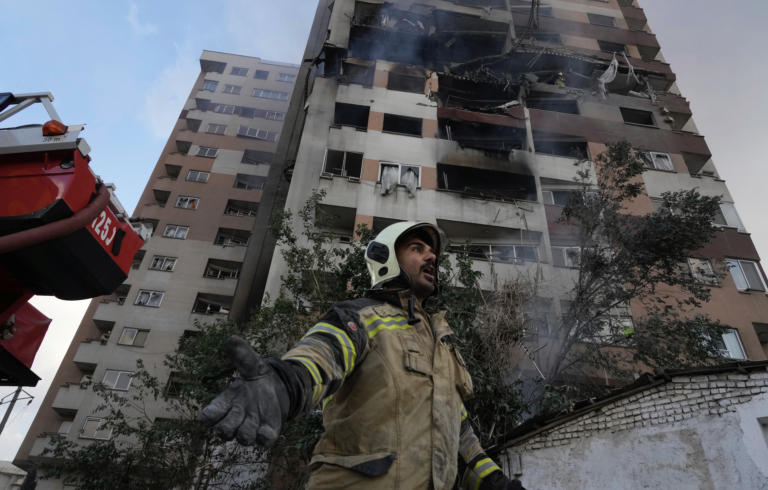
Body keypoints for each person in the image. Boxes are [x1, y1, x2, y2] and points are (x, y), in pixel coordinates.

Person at [198, 221, 526, 490]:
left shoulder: (443, 345)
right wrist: (283, 383)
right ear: (386, 259)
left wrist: (495, 483)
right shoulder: (362, 317)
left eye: (433, 253)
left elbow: (459, 436)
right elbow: (321, 355)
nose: (431, 258)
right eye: (417, 249)